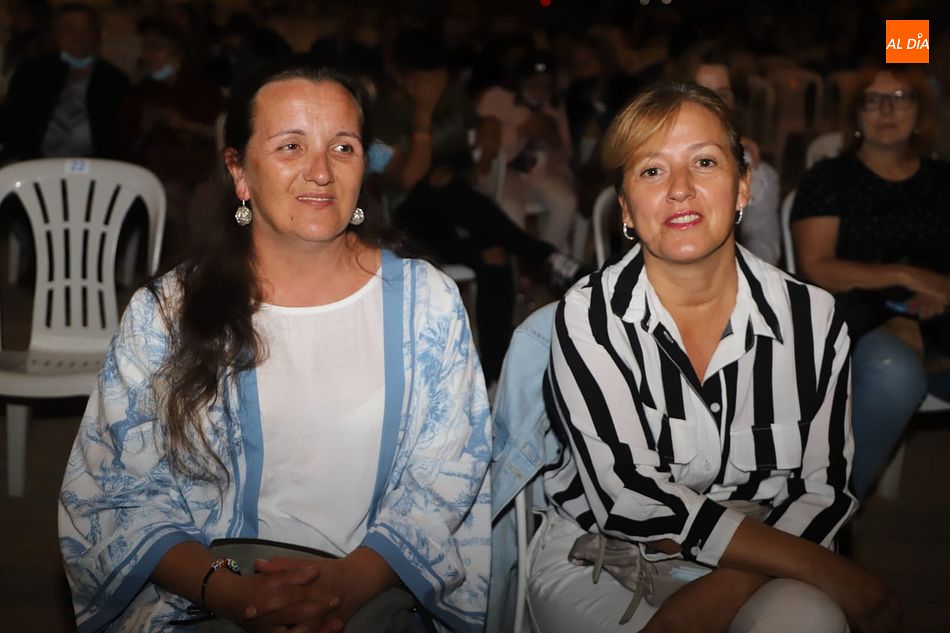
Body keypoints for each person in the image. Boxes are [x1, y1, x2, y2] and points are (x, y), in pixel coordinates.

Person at [58, 60, 491, 633]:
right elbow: (118, 487)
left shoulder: (426, 304)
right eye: (290, 146)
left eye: (343, 148)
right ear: (239, 172)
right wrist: (231, 593)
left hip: (375, 592)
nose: (321, 172)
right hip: (204, 599)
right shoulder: (169, 311)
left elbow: (445, 476)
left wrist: (348, 585)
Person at [528, 83, 900, 633]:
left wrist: (718, 593)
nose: (680, 189)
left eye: (704, 162)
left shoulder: (812, 319)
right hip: (602, 560)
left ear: (743, 185)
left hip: (768, 554)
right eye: (652, 170)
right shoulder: (591, 319)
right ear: (626, 207)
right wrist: (826, 569)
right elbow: (631, 497)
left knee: (812, 622)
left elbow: (818, 490)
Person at [791, 63, 950, 500]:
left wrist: (937, 291)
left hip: (939, 313)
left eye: (900, 98)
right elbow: (817, 266)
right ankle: (828, 508)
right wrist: (906, 275)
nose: (886, 110)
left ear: (921, 111)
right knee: (893, 373)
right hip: (861, 318)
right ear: (855, 113)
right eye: (872, 99)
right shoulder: (830, 177)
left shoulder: (943, 180)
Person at [674, 45, 782, 265]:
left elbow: (764, 250)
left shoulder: (754, 171)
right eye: (699, 93)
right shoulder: (652, 163)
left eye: (722, 95)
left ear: (735, 103)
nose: (710, 105)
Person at [0, 1, 127, 163]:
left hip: (95, 167)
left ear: (96, 34)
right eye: (69, 29)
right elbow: (14, 121)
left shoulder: (114, 80)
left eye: (86, 30)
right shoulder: (32, 73)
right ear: (57, 35)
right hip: (35, 163)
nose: (78, 37)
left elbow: (119, 136)